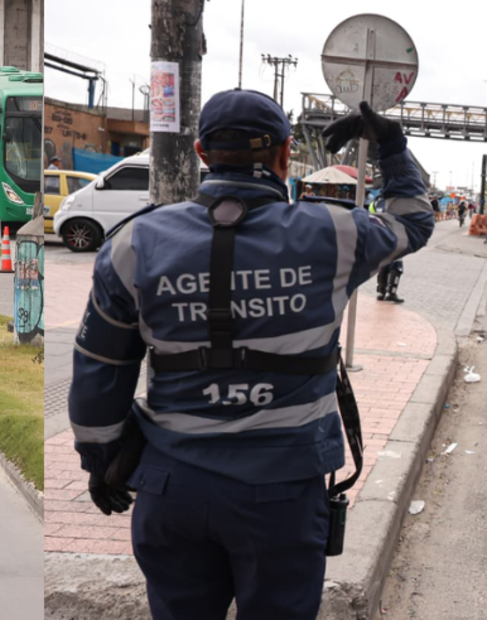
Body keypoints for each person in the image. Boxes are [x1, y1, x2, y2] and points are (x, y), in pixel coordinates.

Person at [69, 92, 434, 620]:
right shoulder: (336, 233)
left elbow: (100, 368)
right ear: (285, 155)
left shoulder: (135, 243)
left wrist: (100, 459)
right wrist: (393, 147)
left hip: (172, 489)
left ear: (200, 151)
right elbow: (413, 220)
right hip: (283, 493)